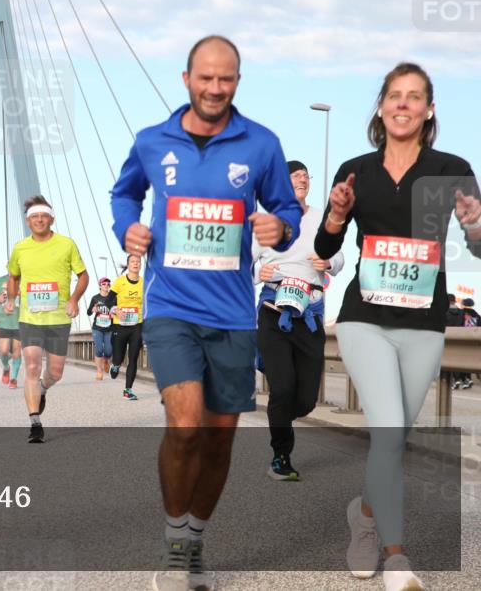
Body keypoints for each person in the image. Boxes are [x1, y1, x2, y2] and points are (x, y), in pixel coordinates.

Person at [110, 35, 302, 591]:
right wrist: (127, 227)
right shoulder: (152, 141)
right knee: (187, 422)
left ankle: (195, 538)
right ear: (186, 79)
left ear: (237, 81)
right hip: (170, 305)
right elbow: (124, 194)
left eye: (226, 78)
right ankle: (175, 545)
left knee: (219, 440)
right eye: (206, 77)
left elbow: (286, 209)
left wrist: (281, 226)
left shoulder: (261, 144)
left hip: (234, 315)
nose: (215, 88)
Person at [314, 62, 480, 589]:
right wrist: (336, 214)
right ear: (382, 107)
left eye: (414, 96)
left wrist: (475, 222)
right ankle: (397, 557)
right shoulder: (355, 171)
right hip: (365, 318)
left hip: (424, 322)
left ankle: (363, 515)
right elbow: (325, 246)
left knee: (394, 439)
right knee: (388, 432)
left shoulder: (451, 168)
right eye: (394, 95)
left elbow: (478, 245)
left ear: (429, 109)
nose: (403, 103)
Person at [252, 160, 345, 480]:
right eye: (295, 175)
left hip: (310, 315)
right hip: (274, 310)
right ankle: (281, 456)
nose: (302, 178)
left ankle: (279, 417)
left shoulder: (321, 218)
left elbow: (339, 256)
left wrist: (328, 262)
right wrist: (259, 271)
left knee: (304, 401)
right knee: (283, 387)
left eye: (306, 175)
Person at [5, 195, 89, 444]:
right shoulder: (20, 248)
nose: (39, 220)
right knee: (32, 367)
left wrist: (74, 299)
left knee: (55, 372)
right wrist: (11, 299)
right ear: (28, 221)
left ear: (52, 219)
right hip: (30, 318)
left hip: (58, 318)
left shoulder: (66, 244)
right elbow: (13, 277)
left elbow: (83, 276)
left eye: (44, 216)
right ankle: (35, 423)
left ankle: (43, 388)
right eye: (34, 216)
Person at [109, 254, 145, 400]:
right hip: (120, 325)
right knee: (118, 357)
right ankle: (115, 365)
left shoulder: (144, 283)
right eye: (133, 261)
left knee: (133, 358)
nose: (136, 264)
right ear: (128, 265)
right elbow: (109, 300)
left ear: (140, 265)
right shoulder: (119, 282)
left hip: (137, 324)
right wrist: (115, 310)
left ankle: (128, 390)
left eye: (138, 262)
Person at [0, 273, 23, 387]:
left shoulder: (25, 278)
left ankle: (13, 379)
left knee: (17, 350)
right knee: (4, 351)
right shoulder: (0, 280)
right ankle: (6, 367)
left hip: (20, 321)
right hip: (4, 321)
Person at [86, 277, 116, 381]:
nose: (106, 285)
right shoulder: (95, 298)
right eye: (104, 284)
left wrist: (115, 314)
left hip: (109, 329)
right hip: (97, 328)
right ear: (100, 286)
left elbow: (117, 310)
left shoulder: (114, 298)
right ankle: (99, 371)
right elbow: (88, 312)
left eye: (108, 284)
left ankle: (106, 360)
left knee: (108, 351)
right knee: (99, 350)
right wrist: (92, 309)